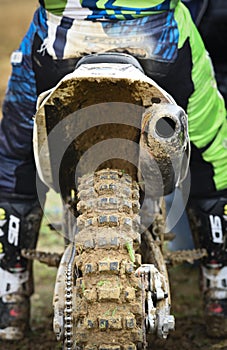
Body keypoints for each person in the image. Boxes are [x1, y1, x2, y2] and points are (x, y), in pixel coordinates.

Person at [0, 0, 226, 341]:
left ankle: (10, 290)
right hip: (160, 41)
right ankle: (219, 282)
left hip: (60, 43)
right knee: (214, 149)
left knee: (12, 161)